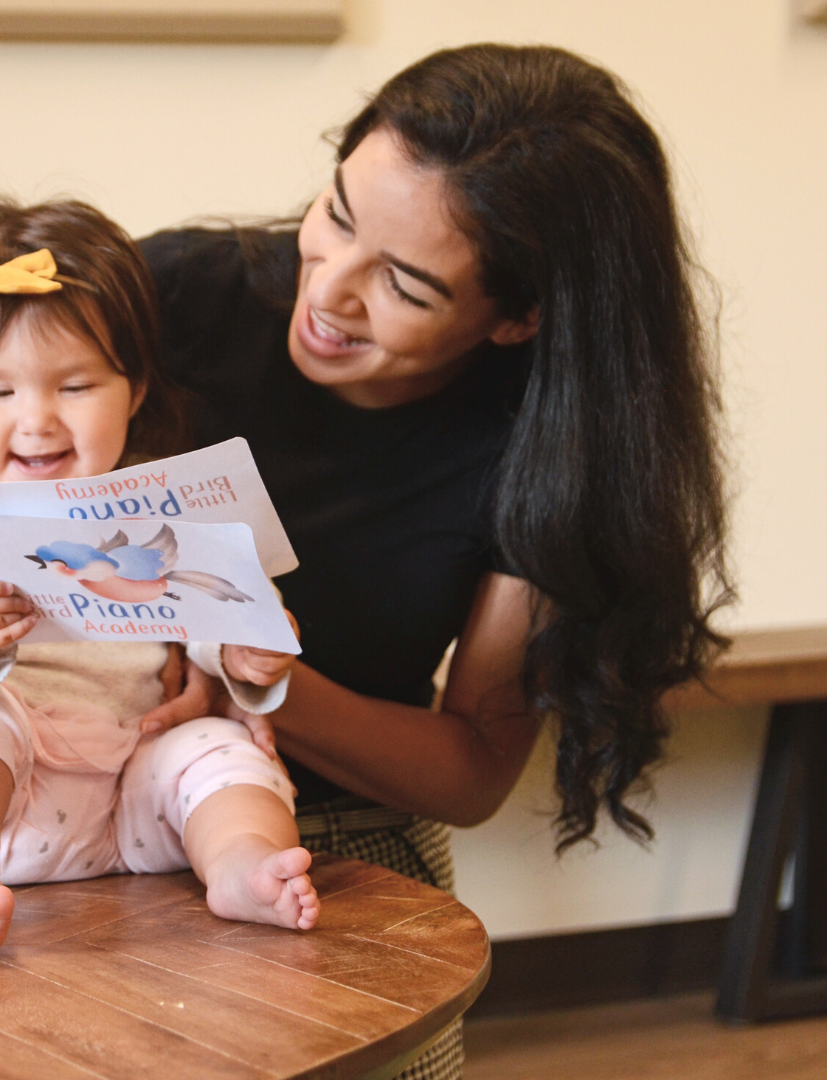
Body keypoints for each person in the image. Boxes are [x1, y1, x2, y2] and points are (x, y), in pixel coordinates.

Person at [128, 44, 730, 1080]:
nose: (330, 292)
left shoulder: (542, 450)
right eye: (337, 214)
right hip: (92, 797)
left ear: (519, 319)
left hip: (340, 842)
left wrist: (264, 684)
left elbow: (469, 770)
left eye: (405, 285)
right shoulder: (178, 297)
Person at [0, 198, 318, 954]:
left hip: (123, 796)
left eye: (77, 387)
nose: (36, 421)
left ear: (137, 389)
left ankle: (239, 865)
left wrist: (245, 654)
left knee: (216, 750)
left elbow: (220, 607)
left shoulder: (159, 501)